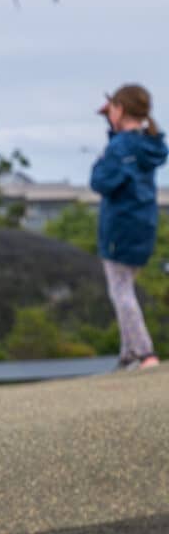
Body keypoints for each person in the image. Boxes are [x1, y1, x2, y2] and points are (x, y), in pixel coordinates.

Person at [91, 84, 168, 371]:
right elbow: (124, 162)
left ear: (120, 109)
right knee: (126, 286)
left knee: (120, 291)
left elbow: (101, 180)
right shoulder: (148, 145)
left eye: (112, 109)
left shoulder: (120, 146)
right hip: (144, 224)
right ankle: (128, 353)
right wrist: (111, 126)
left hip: (120, 227)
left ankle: (144, 352)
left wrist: (109, 145)